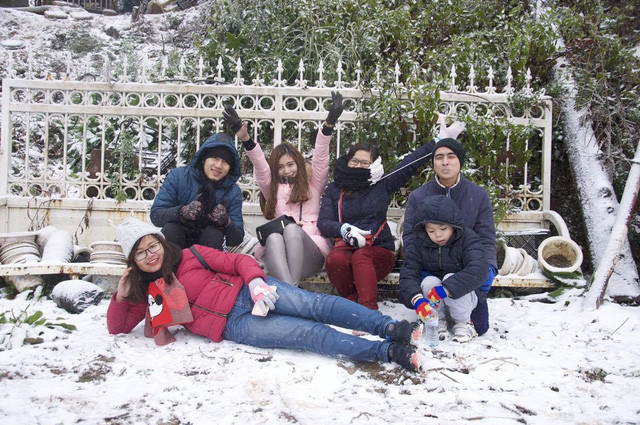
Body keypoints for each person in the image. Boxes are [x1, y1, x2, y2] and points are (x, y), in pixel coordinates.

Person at [106, 218, 424, 372]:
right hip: (236, 325)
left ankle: (392, 328)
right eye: (140, 253)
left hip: (249, 292)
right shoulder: (148, 293)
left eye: (152, 245)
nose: (150, 255)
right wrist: (120, 296)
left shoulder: (190, 255)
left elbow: (239, 261)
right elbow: (118, 327)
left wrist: (256, 284)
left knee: (317, 305)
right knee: (309, 334)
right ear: (133, 261)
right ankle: (387, 352)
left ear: (161, 242)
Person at [317, 121, 466, 310]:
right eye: (354, 161)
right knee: (335, 260)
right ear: (347, 161)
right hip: (346, 249)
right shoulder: (335, 189)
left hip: (379, 251)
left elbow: (410, 164)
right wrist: (344, 229)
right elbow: (324, 222)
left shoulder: (382, 184)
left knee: (361, 256)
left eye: (365, 162)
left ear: (373, 164)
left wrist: (439, 140)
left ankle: (369, 311)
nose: (358, 166)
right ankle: (351, 302)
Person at [221, 92, 344, 286]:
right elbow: (260, 166)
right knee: (273, 237)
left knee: (292, 229)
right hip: (279, 255)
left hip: (310, 252)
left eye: (290, 164)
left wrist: (328, 125)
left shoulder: (313, 185)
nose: (286, 170)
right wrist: (245, 139)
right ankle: (292, 289)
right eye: (280, 167)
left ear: (299, 163)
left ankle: (289, 291)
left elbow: (321, 158)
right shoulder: (272, 188)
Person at [402, 136, 498, 337]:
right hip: (430, 268)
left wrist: (486, 268)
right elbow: (411, 237)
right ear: (433, 163)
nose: (445, 162)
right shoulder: (418, 196)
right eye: (439, 157)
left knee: (480, 327)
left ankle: (462, 313)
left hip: (464, 269)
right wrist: (418, 275)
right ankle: (439, 316)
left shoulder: (477, 195)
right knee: (430, 296)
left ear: (460, 161)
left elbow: (486, 236)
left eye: (451, 156)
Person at [399, 195, 488, 342]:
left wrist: (447, 289)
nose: (438, 235)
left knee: (481, 326)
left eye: (443, 228)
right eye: (431, 231)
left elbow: (479, 269)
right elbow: (408, 274)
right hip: (434, 297)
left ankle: (463, 322)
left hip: (463, 296)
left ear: (453, 225)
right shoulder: (419, 243)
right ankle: (436, 320)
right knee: (429, 281)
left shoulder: (468, 238)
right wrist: (417, 300)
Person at [150, 133, 244, 251]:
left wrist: (226, 223)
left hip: (208, 249)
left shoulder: (233, 191)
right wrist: (181, 212)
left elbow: (237, 239)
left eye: (225, 162)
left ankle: (204, 264)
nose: (219, 165)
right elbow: (156, 215)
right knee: (171, 229)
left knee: (214, 234)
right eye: (215, 158)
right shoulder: (178, 176)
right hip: (177, 242)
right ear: (204, 159)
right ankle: (172, 264)